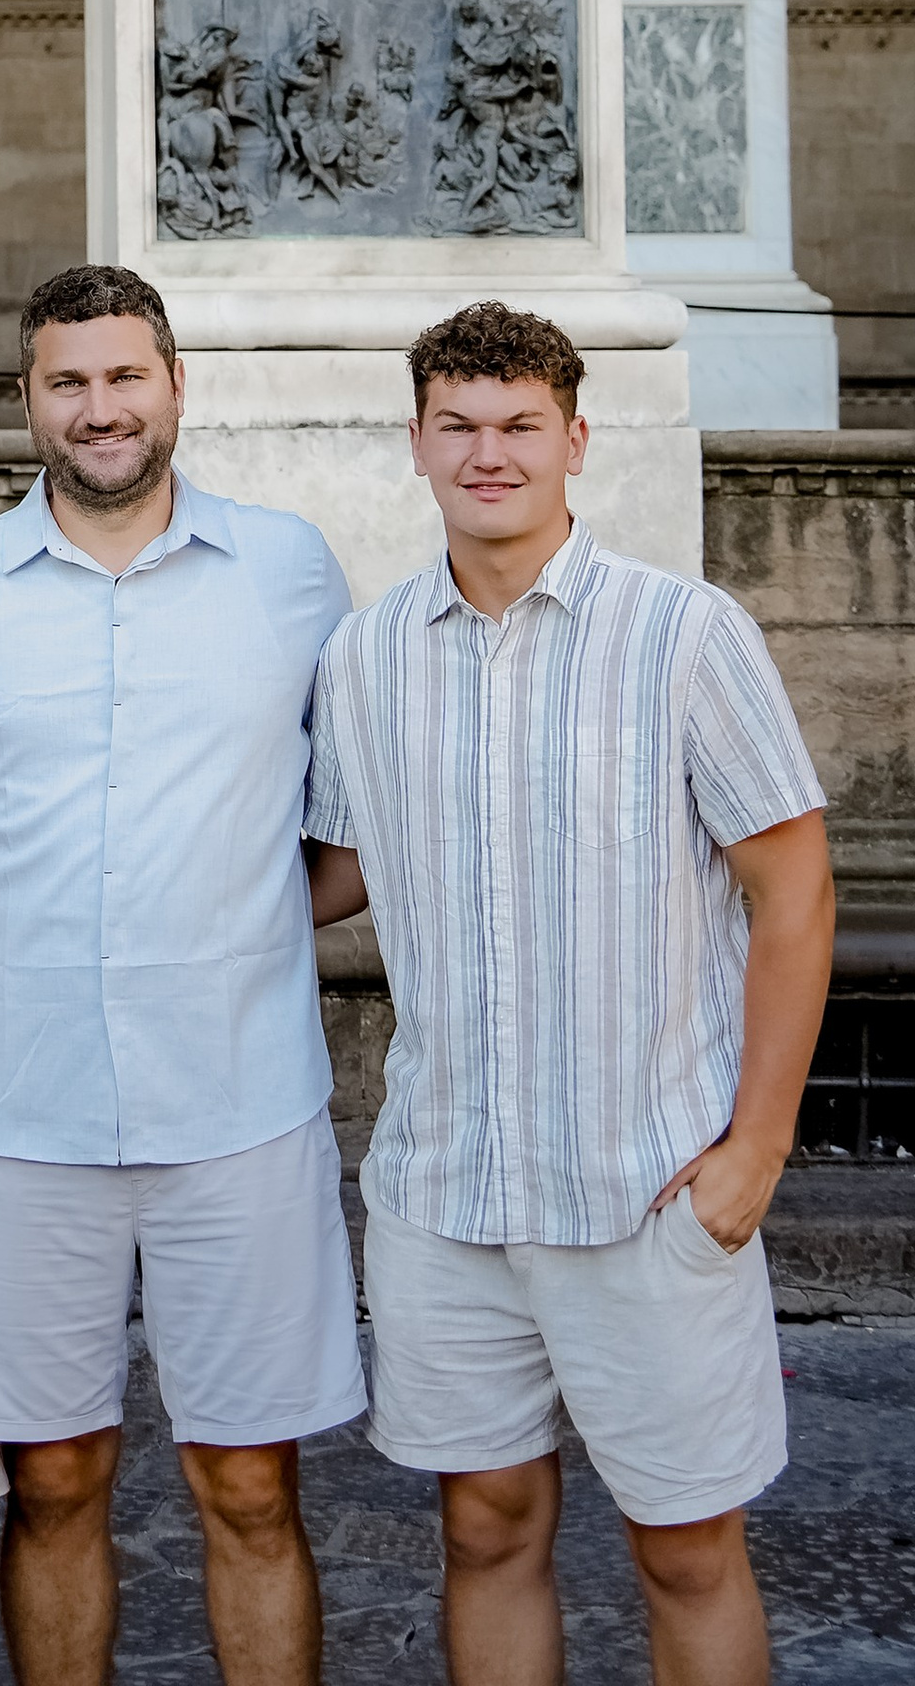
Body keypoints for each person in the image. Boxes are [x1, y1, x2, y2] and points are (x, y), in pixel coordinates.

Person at [306, 300, 837, 1686]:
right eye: (460, 427)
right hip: (449, 1194)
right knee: (483, 1531)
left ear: (575, 439)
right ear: (416, 443)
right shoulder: (364, 659)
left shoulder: (684, 635)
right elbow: (330, 873)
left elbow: (795, 890)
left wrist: (758, 1151)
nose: (490, 454)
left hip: (648, 1186)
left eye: (519, 427)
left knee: (685, 1549)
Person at [0, 264, 361, 1686]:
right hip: (11, 1119)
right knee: (51, 1485)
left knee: (253, 1489)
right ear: (27, 400)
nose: (102, 409)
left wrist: (236, 933)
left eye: (126, 376)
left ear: (174, 385)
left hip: (240, 1111)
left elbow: (347, 833)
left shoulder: (290, 573)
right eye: (69, 382)